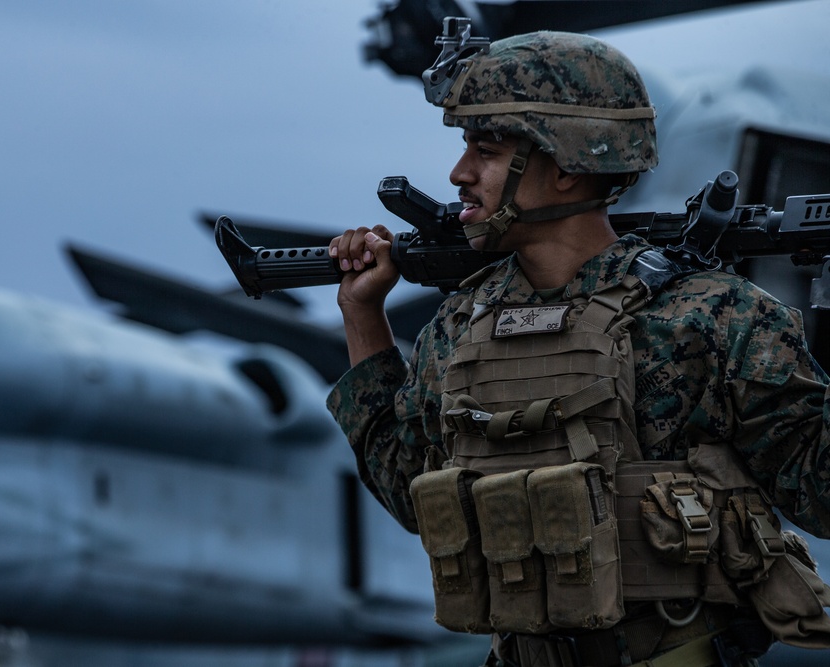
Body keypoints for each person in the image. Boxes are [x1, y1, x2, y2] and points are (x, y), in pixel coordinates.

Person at [326, 26, 830, 667]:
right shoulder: (460, 325)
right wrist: (362, 315)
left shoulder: (711, 316)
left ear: (565, 166)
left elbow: (823, 494)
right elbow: (413, 499)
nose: (459, 174)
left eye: (487, 149)